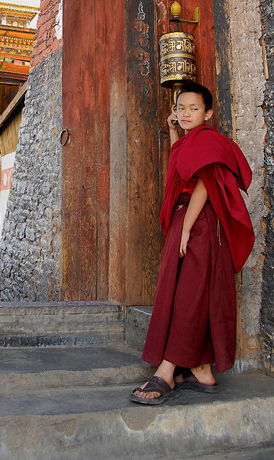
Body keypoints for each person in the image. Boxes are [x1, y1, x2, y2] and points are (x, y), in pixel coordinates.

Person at [130, 82, 254, 405]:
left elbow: (204, 182)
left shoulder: (210, 140)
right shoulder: (190, 141)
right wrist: (174, 132)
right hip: (187, 224)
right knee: (185, 293)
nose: (186, 114)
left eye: (194, 109)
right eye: (181, 108)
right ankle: (200, 369)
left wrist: (185, 229)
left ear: (208, 113)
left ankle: (168, 371)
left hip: (199, 225)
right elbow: (181, 165)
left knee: (189, 295)